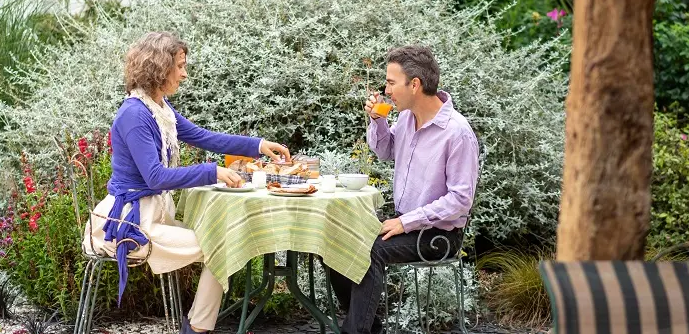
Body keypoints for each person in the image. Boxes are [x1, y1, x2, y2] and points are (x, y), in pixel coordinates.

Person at [83, 32, 291, 334]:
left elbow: (204, 137)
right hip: (129, 225)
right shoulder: (134, 114)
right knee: (220, 246)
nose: (184, 73)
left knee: (220, 241)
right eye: (179, 66)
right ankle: (196, 329)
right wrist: (213, 172)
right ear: (159, 68)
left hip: (152, 214)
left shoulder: (158, 108)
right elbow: (155, 177)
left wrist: (258, 145)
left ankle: (194, 327)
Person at [330, 45, 480, 334]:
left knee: (372, 251)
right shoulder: (407, 119)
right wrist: (378, 120)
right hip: (406, 222)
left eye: (390, 82)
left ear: (415, 84)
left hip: (439, 235)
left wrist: (404, 222)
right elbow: (385, 150)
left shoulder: (457, 133)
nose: (386, 90)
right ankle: (368, 329)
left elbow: (460, 200)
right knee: (337, 240)